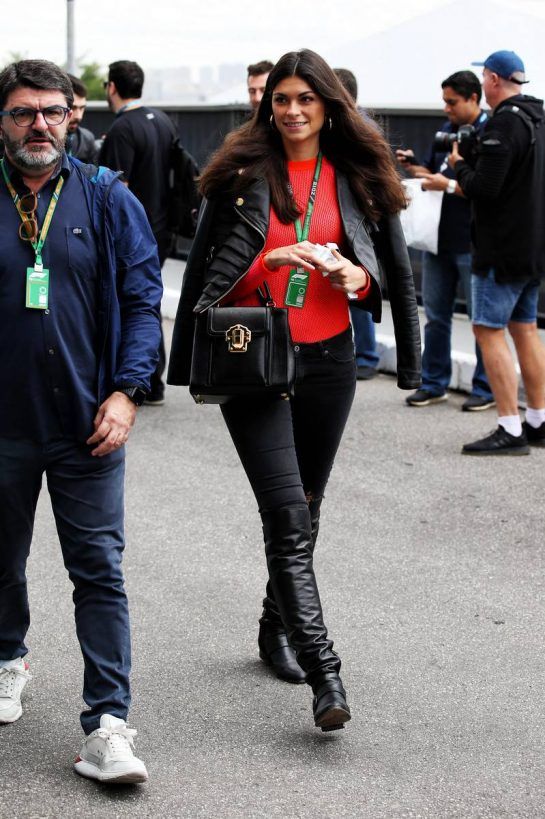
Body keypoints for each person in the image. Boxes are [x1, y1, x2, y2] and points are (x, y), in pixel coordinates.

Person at [167, 49, 421, 731]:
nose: (292, 109)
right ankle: (324, 670)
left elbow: (389, 275)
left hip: (329, 361)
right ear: (267, 105)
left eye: (306, 98)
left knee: (305, 506)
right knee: (284, 513)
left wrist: (354, 280)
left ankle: (271, 626)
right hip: (253, 359)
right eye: (281, 98)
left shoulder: (358, 174)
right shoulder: (241, 174)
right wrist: (268, 259)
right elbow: (206, 282)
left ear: (328, 104)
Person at [0, 59, 162, 783]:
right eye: (21, 112)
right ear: (2, 121)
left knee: (97, 570)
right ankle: (9, 658)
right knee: (0, 558)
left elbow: (139, 297)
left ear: (74, 115)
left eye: (52, 111)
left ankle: (107, 725)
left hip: (86, 425)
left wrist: (128, 391)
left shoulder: (104, 196)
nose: (38, 124)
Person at [448, 51, 545, 455]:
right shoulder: (538, 117)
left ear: (491, 78)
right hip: (532, 247)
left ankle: (510, 426)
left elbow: (485, 188)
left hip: (500, 249)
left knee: (488, 330)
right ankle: (538, 420)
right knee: (524, 330)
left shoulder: (504, 123)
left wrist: (458, 165)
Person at [397, 71, 494, 411]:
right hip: (439, 240)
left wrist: (449, 184)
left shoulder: (489, 133)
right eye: (444, 101)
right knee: (436, 316)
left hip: (472, 243)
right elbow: (434, 175)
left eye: (452, 102)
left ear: (473, 99)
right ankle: (434, 382)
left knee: (483, 323)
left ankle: (486, 387)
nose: (447, 108)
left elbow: (486, 187)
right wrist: (414, 168)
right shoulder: (448, 132)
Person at [99, 60, 173, 406]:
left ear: (112, 87)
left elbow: (119, 189)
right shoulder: (162, 120)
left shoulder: (122, 129)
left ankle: (141, 381)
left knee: (133, 303)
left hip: (132, 234)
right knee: (148, 301)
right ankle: (153, 380)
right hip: (163, 226)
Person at [334, 67, 380, 380]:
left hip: (356, 218)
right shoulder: (363, 123)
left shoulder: (355, 127)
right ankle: (364, 354)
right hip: (359, 216)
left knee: (356, 283)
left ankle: (366, 355)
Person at [66, 74, 98, 164]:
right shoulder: (44, 140)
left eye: (82, 108)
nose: (78, 116)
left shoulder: (87, 138)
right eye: (73, 107)